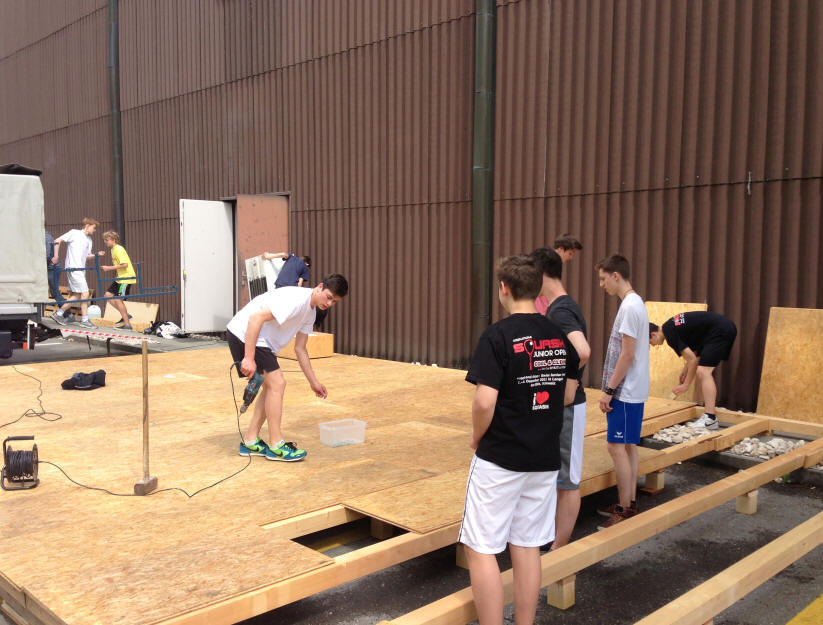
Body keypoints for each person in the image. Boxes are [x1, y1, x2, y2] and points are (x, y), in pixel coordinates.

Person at [459, 255, 579, 625]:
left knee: (481, 548)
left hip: (501, 457)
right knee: (527, 545)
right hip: (543, 458)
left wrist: (477, 436)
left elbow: (484, 402)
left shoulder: (497, 336)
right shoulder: (558, 335)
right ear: (538, 289)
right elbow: (569, 393)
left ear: (504, 288)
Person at [227, 273, 348, 461]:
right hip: (244, 335)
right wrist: (248, 358)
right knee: (278, 384)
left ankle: (250, 441)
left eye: (334, 302)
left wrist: (313, 382)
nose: (329, 303)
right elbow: (255, 318)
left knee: (271, 387)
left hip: (261, 342)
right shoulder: (296, 300)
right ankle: (276, 445)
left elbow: (300, 349)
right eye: (329, 297)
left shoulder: (310, 312)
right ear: (320, 287)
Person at [531, 247, 591, 550]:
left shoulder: (560, 311)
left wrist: (568, 383)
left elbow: (582, 351)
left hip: (569, 406)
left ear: (542, 274)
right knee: (558, 478)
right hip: (561, 407)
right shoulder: (560, 306)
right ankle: (552, 541)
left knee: (567, 482)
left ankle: (559, 550)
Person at [595, 254, 651, 530]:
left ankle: (624, 508)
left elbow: (627, 354)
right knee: (628, 445)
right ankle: (629, 501)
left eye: (603, 279)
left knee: (616, 446)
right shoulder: (635, 303)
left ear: (615, 275)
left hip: (626, 391)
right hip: (633, 388)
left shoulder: (629, 307)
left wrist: (609, 389)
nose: (601, 285)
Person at [649, 311, 737, 430]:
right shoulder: (670, 326)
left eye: (650, 342)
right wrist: (686, 369)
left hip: (720, 330)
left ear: (653, 334)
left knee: (703, 372)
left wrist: (686, 385)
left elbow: (693, 360)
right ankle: (708, 415)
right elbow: (694, 354)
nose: (653, 345)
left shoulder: (670, 334)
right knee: (702, 370)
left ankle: (710, 418)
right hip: (719, 329)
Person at [50, 218, 102, 328]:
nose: (95, 230)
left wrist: (96, 255)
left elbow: (87, 256)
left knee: (77, 295)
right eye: (94, 228)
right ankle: (85, 320)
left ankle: (58, 314)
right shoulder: (74, 233)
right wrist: (56, 256)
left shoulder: (89, 240)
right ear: (87, 225)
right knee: (85, 293)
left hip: (81, 269)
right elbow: (57, 240)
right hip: (73, 268)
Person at [99, 231, 136, 330]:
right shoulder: (113, 250)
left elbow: (125, 265)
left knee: (118, 299)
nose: (105, 242)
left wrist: (108, 268)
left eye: (107, 240)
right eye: (104, 240)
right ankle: (126, 315)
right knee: (107, 295)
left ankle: (127, 324)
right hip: (120, 277)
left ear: (113, 240)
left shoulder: (118, 249)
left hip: (126, 278)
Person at [45, 230, 71, 321]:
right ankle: (67, 314)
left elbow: (47, 254)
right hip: (51, 268)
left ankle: (68, 314)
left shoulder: (46, 237)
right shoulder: (46, 236)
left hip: (52, 268)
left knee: (55, 292)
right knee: (54, 292)